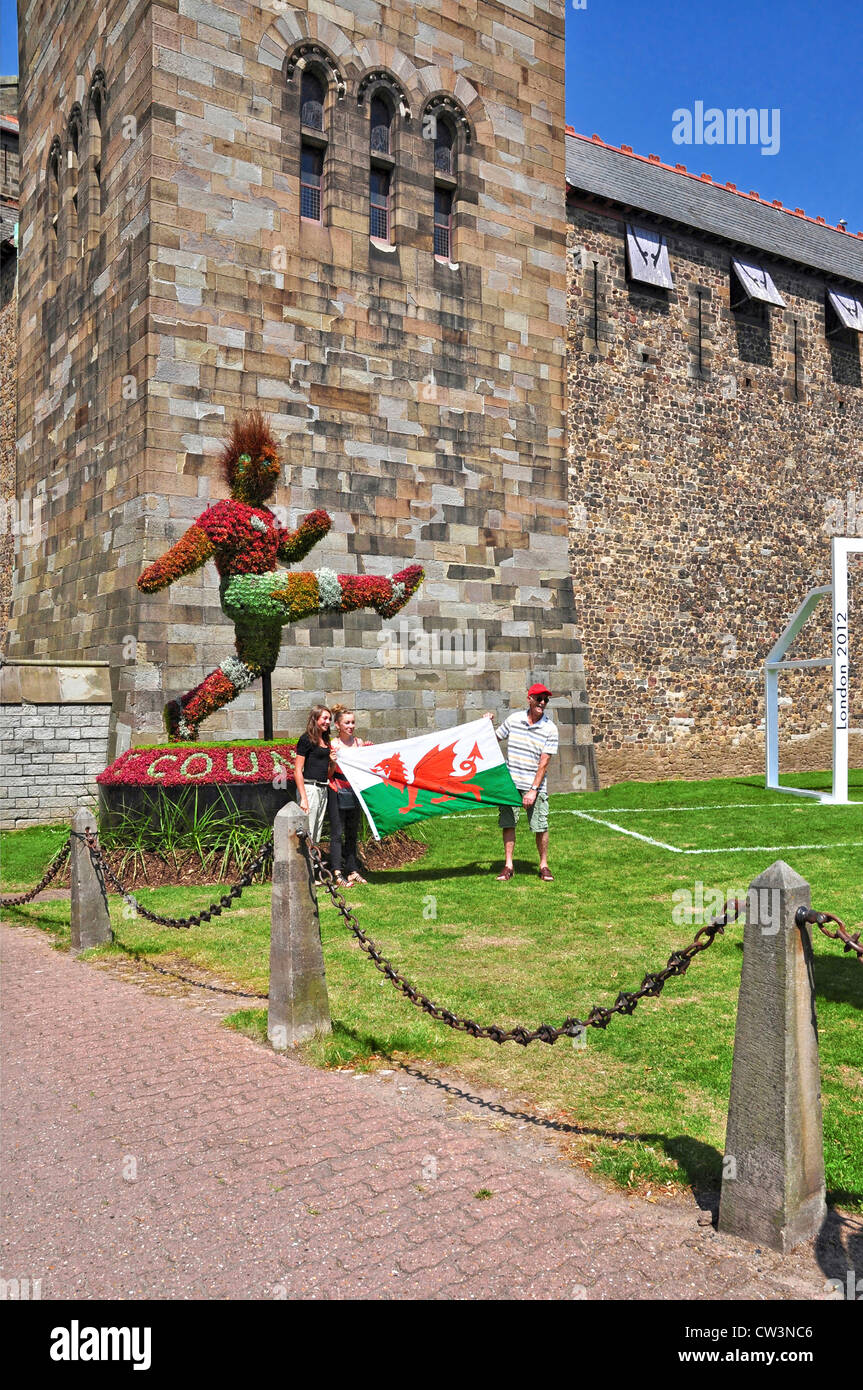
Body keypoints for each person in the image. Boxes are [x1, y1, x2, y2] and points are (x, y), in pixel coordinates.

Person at [485, 682, 559, 882]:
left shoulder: (550, 729)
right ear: (530, 698)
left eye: (546, 700)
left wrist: (533, 790)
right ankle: (508, 866)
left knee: (540, 826)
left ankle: (543, 865)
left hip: (535, 785)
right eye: (539, 698)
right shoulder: (514, 720)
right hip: (511, 784)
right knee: (508, 824)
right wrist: (485, 724)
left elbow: (544, 764)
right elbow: (493, 739)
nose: (542, 703)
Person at [328, 705, 373, 887]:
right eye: (347, 723)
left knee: (352, 832)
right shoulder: (333, 745)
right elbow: (328, 774)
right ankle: (337, 871)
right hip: (337, 790)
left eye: (353, 722)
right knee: (337, 833)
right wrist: (331, 762)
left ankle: (353, 870)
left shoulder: (359, 743)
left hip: (354, 791)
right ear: (338, 725)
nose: (351, 726)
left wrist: (371, 752)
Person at [294, 704, 332, 845]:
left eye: (330, 719)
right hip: (310, 789)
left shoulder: (326, 741)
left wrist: (333, 763)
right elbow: (297, 770)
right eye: (325, 718)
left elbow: (328, 773)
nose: (328, 722)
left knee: (316, 832)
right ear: (315, 719)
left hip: (323, 789)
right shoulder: (306, 739)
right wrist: (304, 798)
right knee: (306, 831)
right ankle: (304, 865)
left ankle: (312, 863)